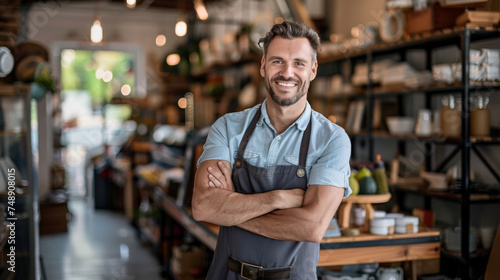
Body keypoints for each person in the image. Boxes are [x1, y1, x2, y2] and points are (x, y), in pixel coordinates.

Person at [192, 21, 352, 280]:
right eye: (278, 61)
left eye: (298, 63)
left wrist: (231, 211)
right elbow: (202, 207)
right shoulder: (228, 127)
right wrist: (278, 198)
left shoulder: (332, 140)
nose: (287, 73)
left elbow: (311, 227)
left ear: (312, 70)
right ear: (263, 66)